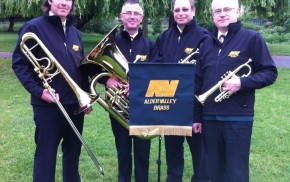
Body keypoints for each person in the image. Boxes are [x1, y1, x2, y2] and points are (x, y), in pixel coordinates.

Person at [193, 0, 278, 181]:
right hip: (210, 118)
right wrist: (197, 117)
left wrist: (242, 82)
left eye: (227, 9)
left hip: (238, 117)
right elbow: (198, 82)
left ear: (237, 12)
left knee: (236, 172)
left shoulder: (252, 38)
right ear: (213, 15)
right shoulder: (206, 43)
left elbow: (270, 72)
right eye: (217, 11)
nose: (222, 14)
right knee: (213, 171)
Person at [12, 0, 91, 181]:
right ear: (49, 1)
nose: (64, 2)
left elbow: (81, 68)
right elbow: (19, 63)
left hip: (74, 106)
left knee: (73, 155)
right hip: (48, 105)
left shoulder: (75, 33)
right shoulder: (33, 27)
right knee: (46, 156)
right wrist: (39, 92)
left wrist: (85, 96)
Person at [153, 0, 209, 181]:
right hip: (171, 106)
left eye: (185, 9)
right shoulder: (164, 38)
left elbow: (207, 75)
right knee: (173, 156)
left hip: (194, 107)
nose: (180, 13)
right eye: (177, 9)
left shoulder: (204, 37)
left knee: (200, 158)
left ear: (193, 11)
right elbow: (155, 68)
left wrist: (198, 113)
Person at [105, 1, 155, 181]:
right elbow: (96, 69)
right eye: (128, 13)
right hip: (118, 107)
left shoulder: (150, 45)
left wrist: (139, 85)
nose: (132, 16)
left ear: (141, 18)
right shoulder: (111, 43)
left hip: (144, 106)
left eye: (136, 13)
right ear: (122, 15)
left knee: (143, 152)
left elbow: (156, 72)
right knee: (123, 150)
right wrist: (107, 79)